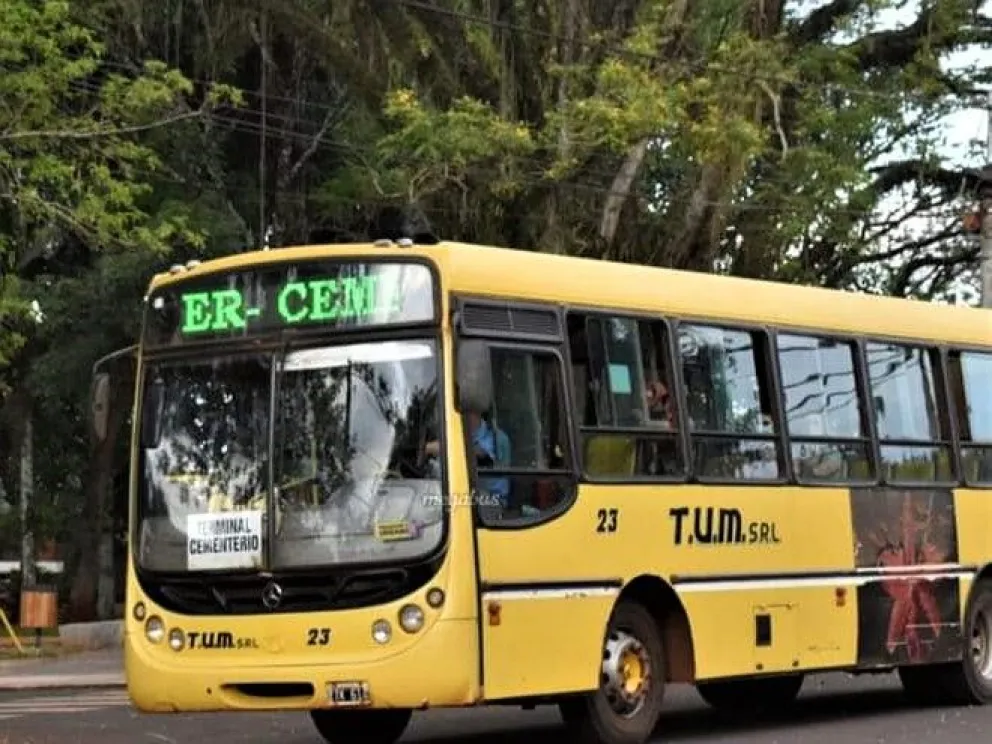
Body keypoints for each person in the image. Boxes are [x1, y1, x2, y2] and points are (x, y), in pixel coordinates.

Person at [425, 410, 510, 507]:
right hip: (456, 497)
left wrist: (444, 447)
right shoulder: (452, 435)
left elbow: (480, 456)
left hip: (491, 501)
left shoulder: (496, 437)